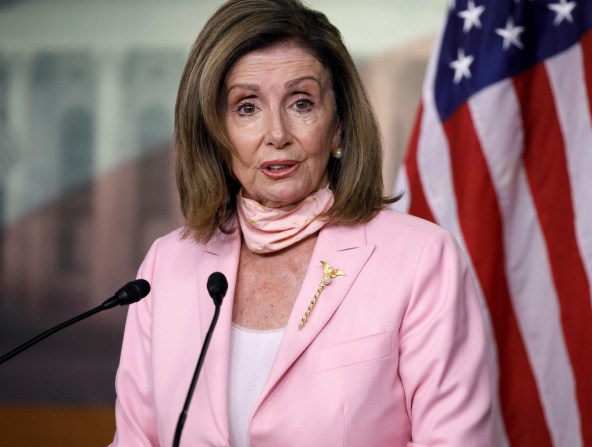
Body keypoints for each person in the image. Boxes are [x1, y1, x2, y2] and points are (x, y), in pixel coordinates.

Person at [110, 0, 493, 445]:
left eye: (301, 102)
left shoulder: (422, 259)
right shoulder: (166, 266)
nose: (277, 134)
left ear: (338, 126)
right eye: (247, 107)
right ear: (216, 132)